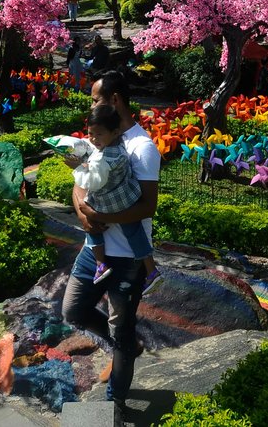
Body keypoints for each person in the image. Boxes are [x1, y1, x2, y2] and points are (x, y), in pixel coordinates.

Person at [62, 71, 160, 423]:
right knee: (73, 310)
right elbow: (80, 183)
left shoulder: (141, 148)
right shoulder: (98, 136)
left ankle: (113, 403)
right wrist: (84, 213)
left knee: (122, 328)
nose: (91, 106)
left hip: (127, 258)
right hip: (95, 251)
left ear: (115, 100)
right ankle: (127, 349)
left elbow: (147, 206)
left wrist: (99, 213)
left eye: (95, 99)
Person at [73, 104, 161, 291]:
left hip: (108, 202)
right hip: (126, 198)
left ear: (114, 132)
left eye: (98, 135)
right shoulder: (120, 145)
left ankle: (100, 264)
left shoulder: (102, 158)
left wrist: (77, 168)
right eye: (90, 134)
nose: (94, 139)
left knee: (90, 220)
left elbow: (93, 181)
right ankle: (151, 270)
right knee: (134, 231)